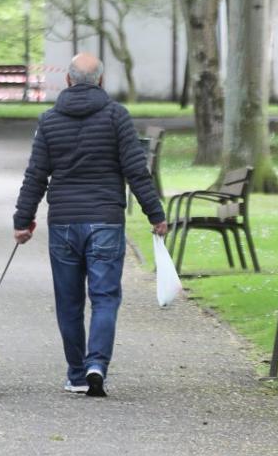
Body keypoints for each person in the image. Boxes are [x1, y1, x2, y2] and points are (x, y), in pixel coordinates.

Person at [12, 53, 166, 397]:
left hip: (65, 222)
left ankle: (77, 373)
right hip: (106, 221)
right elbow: (136, 170)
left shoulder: (49, 120)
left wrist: (23, 221)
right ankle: (97, 364)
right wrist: (155, 214)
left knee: (69, 302)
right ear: (100, 80)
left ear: (66, 81)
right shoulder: (117, 117)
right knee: (105, 298)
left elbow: (36, 175)